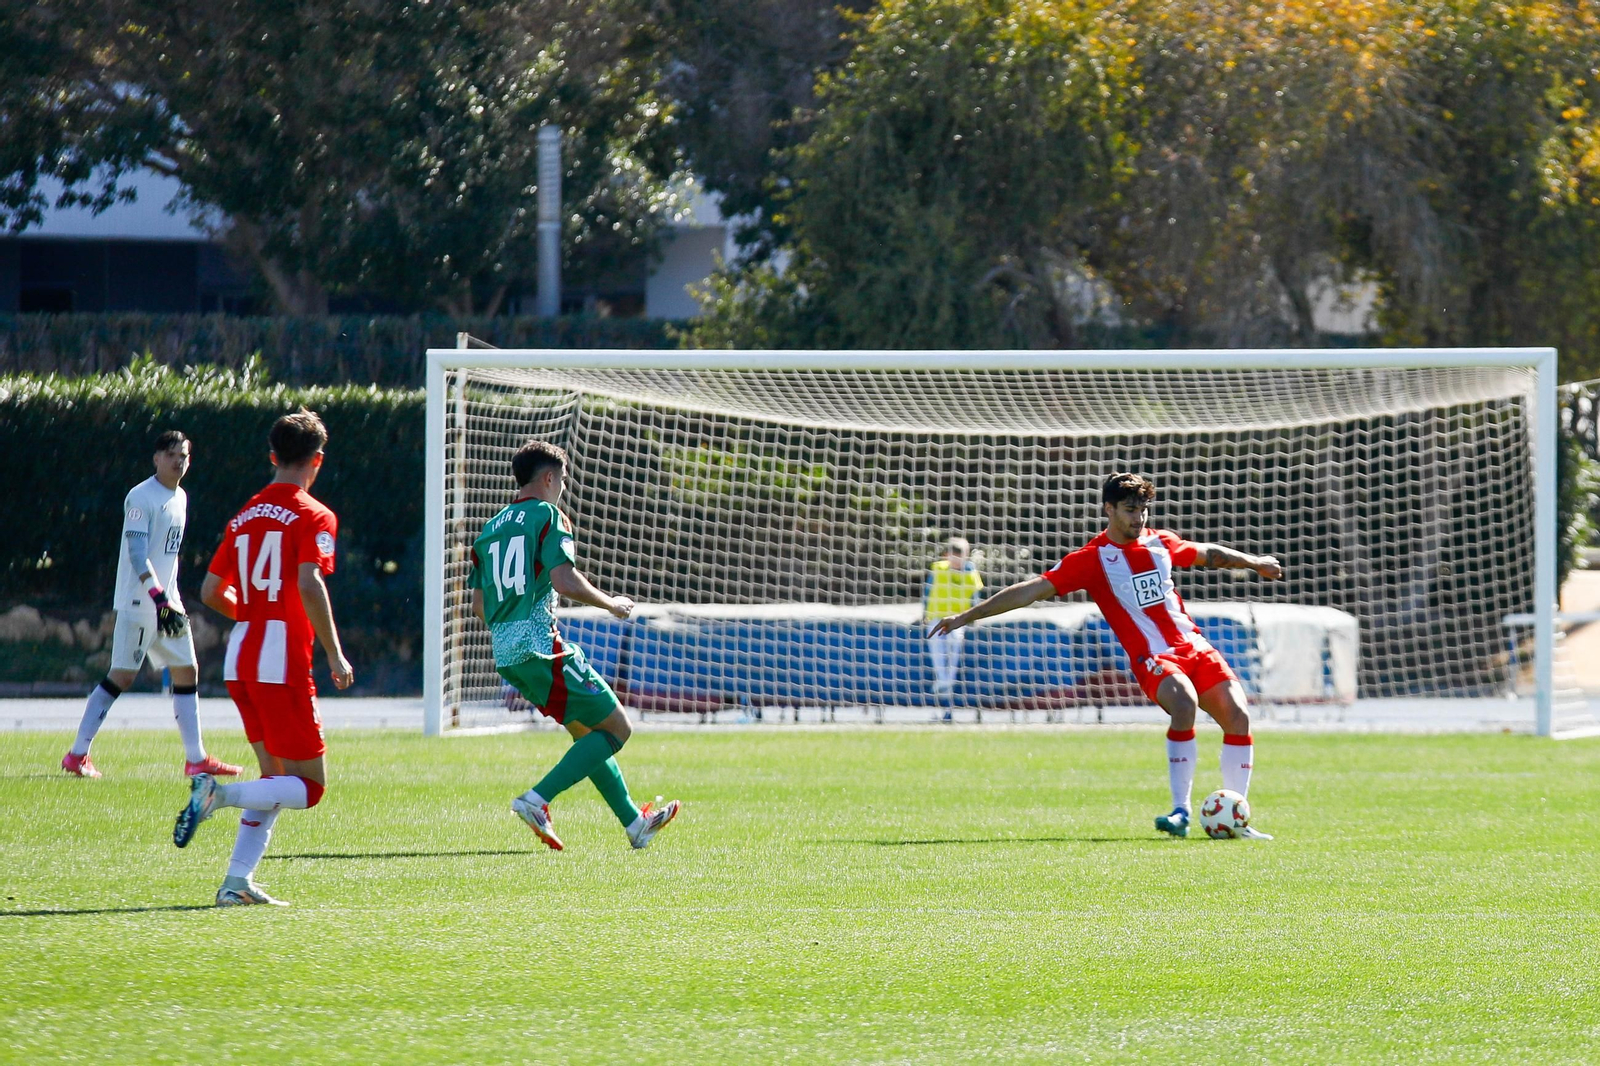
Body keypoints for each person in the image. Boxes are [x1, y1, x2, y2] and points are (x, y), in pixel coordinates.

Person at [929, 472, 1282, 840]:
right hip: (1154, 656)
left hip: (1195, 645)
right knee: (1183, 702)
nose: (1138, 518)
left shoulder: (1161, 542)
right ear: (1108, 509)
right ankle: (1181, 811)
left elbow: (1210, 555)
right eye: (1130, 510)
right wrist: (967, 616)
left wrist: (1254, 562)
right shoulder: (1092, 559)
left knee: (1239, 715)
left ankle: (1235, 817)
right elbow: (1030, 591)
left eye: (1143, 510)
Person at [171, 410, 354, 906]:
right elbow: (310, 581)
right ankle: (218, 795)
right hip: (280, 660)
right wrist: (335, 655)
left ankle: (236, 882)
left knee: (273, 781)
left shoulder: (245, 514)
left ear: (273, 457)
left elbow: (210, 590)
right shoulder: (315, 514)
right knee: (309, 788)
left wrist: (253, 611)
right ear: (317, 461)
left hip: (242, 654)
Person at [471, 440, 679, 852]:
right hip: (542, 648)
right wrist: (611, 604)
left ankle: (635, 823)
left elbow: (479, 606)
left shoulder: (490, 528)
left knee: (586, 732)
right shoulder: (549, 515)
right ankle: (536, 800)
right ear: (549, 478)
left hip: (508, 654)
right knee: (619, 728)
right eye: (562, 480)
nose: (562, 488)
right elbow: (564, 581)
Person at [62, 430, 242, 780]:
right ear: (156, 458)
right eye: (172, 454)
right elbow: (137, 555)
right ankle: (77, 754)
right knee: (123, 676)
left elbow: (166, 558)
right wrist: (158, 598)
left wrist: (169, 599)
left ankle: (196, 759)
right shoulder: (140, 497)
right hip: (141, 601)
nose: (179, 461)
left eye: (185, 455)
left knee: (186, 669)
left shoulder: (181, 497)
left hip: (166, 603)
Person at [923, 536, 983, 721]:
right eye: (953, 555)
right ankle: (943, 680)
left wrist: (974, 618)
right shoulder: (938, 570)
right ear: (947, 555)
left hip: (957, 622)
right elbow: (927, 592)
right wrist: (924, 613)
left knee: (954, 642)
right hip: (936, 619)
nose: (956, 559)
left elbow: (975, 598)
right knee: (936, 645)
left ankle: (947, 681)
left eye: (960, 555)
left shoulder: (971, 575)